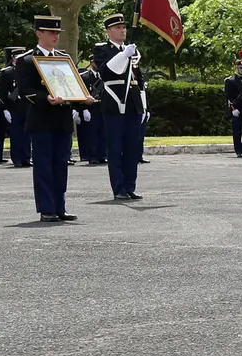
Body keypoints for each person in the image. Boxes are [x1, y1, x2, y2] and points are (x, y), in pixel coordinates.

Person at [15, 15, 78, 222]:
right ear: (38, 33)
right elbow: (25, 90)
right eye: (51, 32)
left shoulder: (63, 58)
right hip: (42, 118)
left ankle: (60, 206)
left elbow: (70, 85)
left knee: (61, 165)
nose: (55, 37)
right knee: (43, 165)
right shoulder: (26, 60)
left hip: (62, 118)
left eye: (57, 33)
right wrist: (46, 98)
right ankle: (47, 208)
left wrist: (81, 98)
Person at [92, 14, 148, 201]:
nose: (123, 30)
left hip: (132, 104)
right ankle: (118, 188)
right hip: (115, 103)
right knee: (116, 148)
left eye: (124, 27)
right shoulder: (102, 49)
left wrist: (143, 106)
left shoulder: (133, 50)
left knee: (132, 147)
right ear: (108, 31)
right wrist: (124, 55)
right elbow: (107, 72)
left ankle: (129, 186)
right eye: (117, 28)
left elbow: (139, 80)